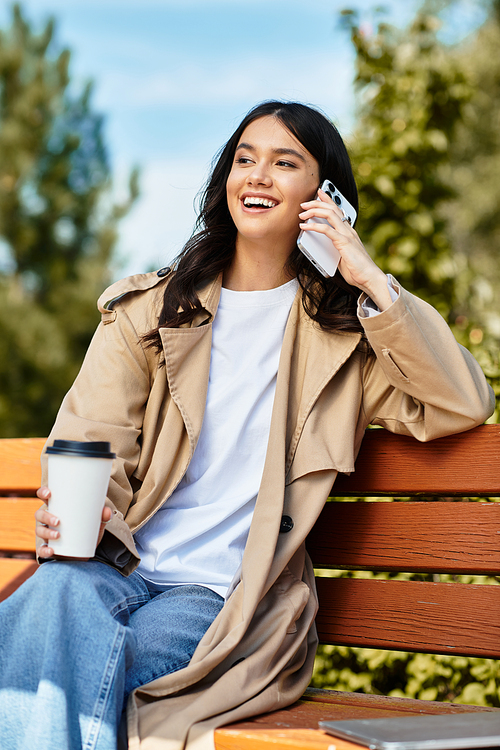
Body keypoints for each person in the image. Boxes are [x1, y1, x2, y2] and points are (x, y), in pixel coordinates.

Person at [0, 101, 494, 750]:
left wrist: (366, 274)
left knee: (57, 653)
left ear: (325, 200)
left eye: (284, 162)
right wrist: (88, 516)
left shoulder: (350, 343)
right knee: (58, 595)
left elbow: (461, 402)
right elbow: (94, 438)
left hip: (221, 597)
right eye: (244, 159)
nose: (257, 175)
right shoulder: (151, 311)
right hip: (118, 567)